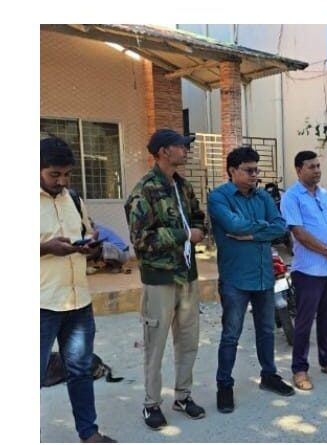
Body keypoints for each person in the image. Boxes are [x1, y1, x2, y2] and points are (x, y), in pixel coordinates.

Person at [124, 129, 207, 430]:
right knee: (155, 344)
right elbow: (140, 239)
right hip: (160, 278)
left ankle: (183, 396)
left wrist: (199, 230)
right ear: (162, 151)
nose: (185, 150)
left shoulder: (182, 186)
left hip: (187, 274)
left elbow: (197, 217)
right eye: (179, 146)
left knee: (188, 341)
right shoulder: (144, 190)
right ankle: (151, 403)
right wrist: (184, 234)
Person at [208, 145, 295, 414]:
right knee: (231, 334)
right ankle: (224, 385)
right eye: (249, 170)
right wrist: (262, 230)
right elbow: (233, 226)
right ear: (232, 170)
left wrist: (251, 234)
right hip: (235, 278)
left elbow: (281, 226)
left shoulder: (262, 196)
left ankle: (269, 375)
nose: (255, 175)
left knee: (266, 330)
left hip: (263, 276)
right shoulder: (218, 197)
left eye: (256, 170)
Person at [40, 137, 116, 443]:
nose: (62, 181)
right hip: (41, 305)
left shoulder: (73, 198)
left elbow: (86, 232)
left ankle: (89, 433)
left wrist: (91, 246)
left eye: (66, 175)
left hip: (78, 302)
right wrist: (44, 248)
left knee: (80, 370)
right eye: (54, 175)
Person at [280, 150, 327, 391]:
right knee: (304, 321)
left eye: (318, 166)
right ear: (298, 169)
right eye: (311, 167)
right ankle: (299, 369)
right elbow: (299, 232)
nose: (317, 170)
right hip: (308, 270)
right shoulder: (292, 197)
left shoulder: (324, 194)